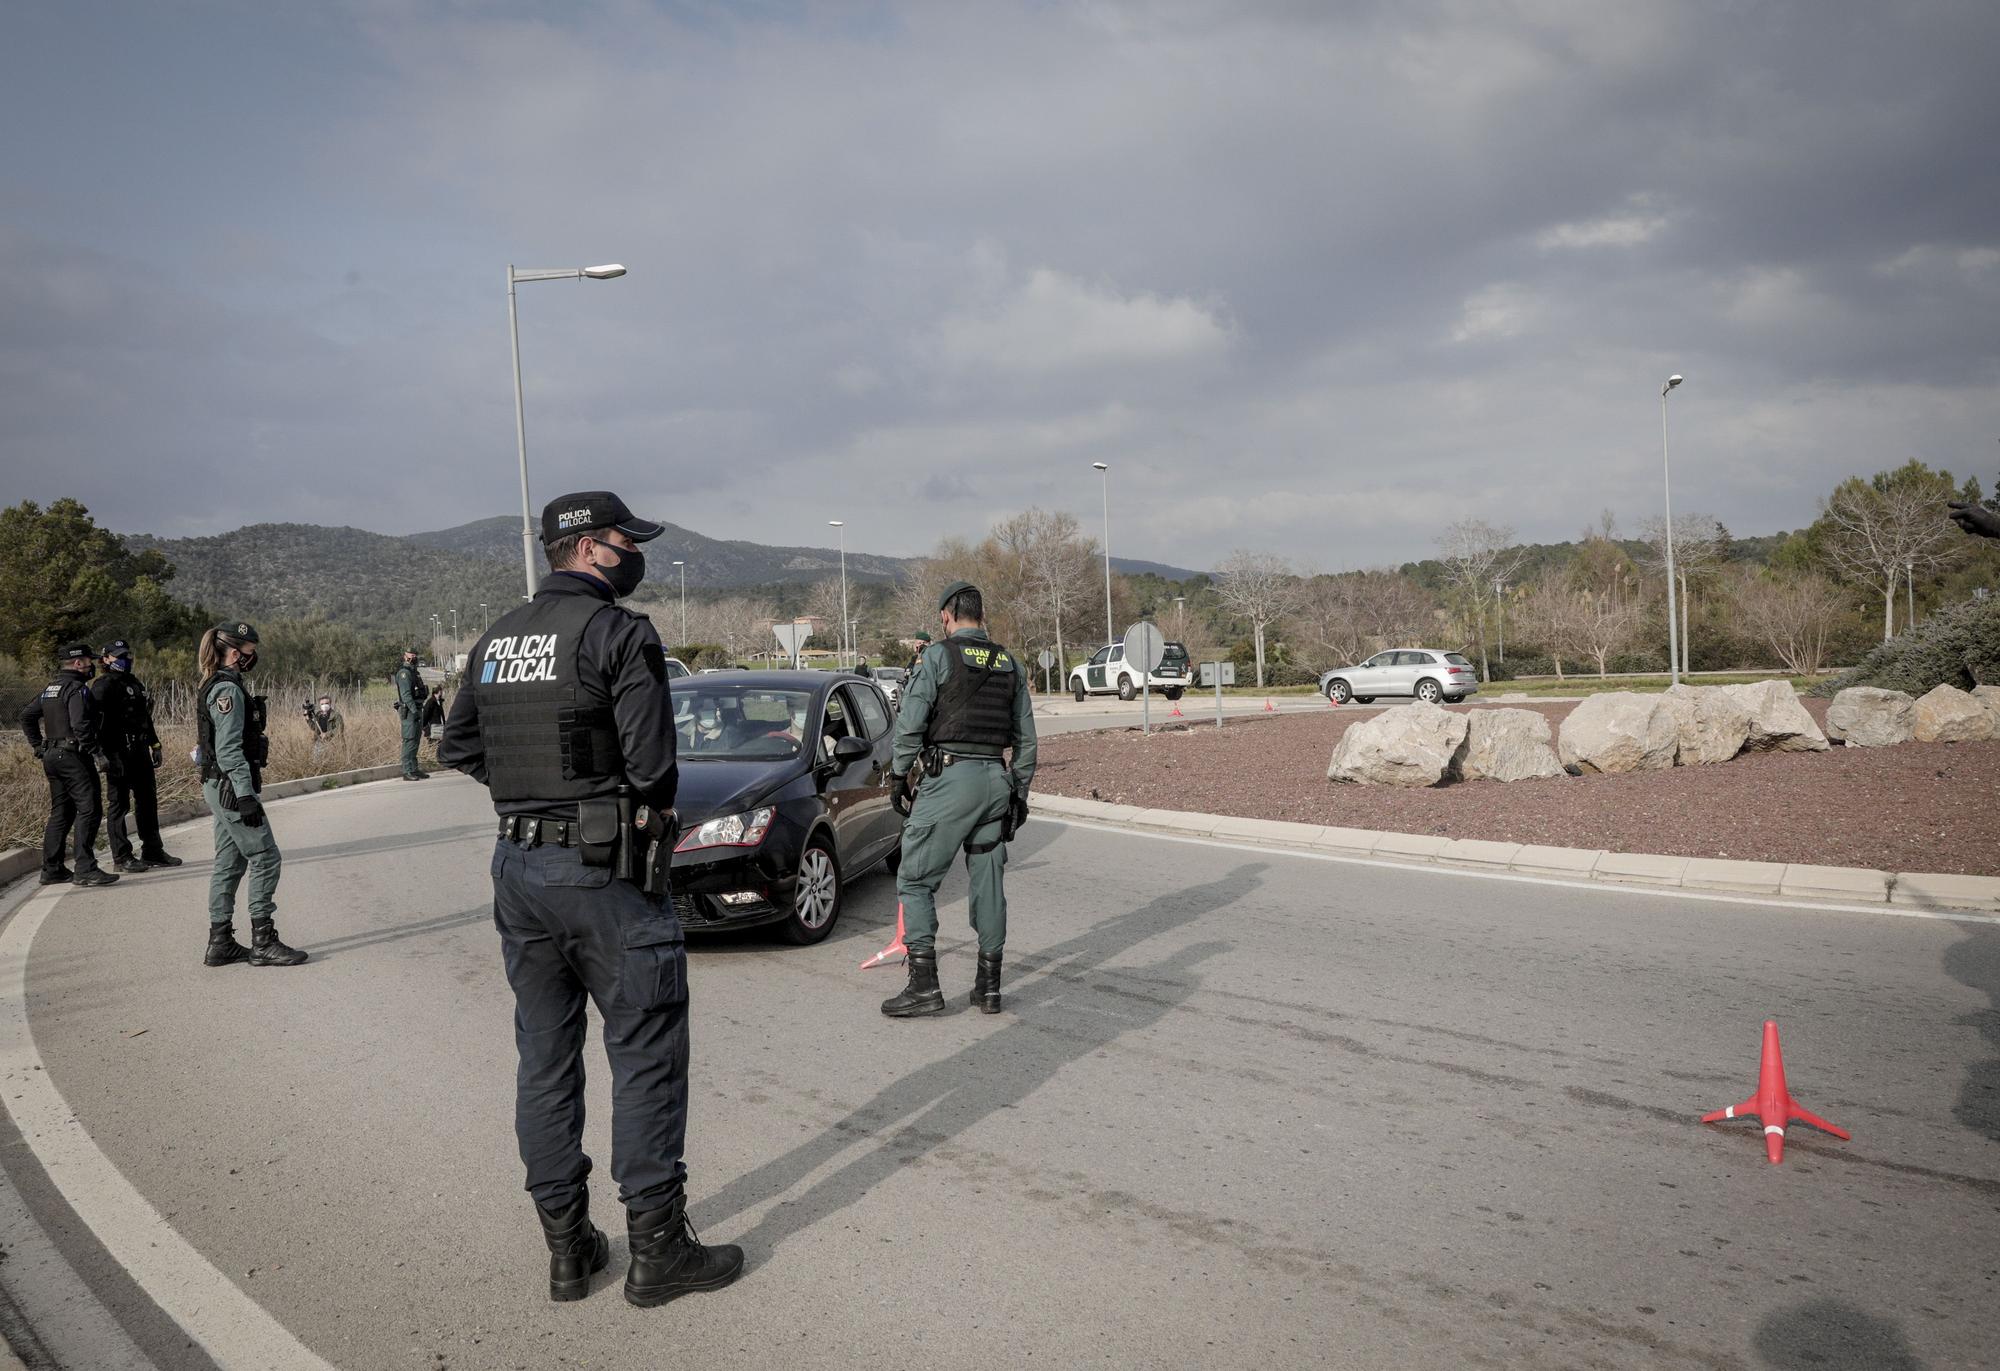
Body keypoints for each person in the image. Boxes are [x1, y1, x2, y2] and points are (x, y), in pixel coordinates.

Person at [439, 490, 742, 1308]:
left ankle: (568, 1251)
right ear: (588, 548)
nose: (632, 553)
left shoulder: (498, 638)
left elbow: (456, 744)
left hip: (519, 871)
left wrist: (529, 797)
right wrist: (598, 803)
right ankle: (656, 1249)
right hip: (603, 873)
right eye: (624, 540)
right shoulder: (619, 632)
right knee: (644, 1050)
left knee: (544, 1056)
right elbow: (653, 768)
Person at [880, 581, 1038, 1018]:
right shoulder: (1010, 663)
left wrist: (898, 777)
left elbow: (910, 725)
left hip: (951, 781)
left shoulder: (937, 656)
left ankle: (925, 986)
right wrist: (1019, 794)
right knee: (988, 884)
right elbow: (1026, 740)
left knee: (914, 880)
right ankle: (988, 989)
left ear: (947, 617)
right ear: (981, 616)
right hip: (995, 783)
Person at [195, 622, 307, 968]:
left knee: (229, 862)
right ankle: (263, 941)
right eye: (249, 651)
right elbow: (229, 750)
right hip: (231, 788)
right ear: (234, 652)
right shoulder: (226, 690)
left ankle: (220, 942)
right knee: (265, 857)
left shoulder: (222, 684)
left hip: (219, 785)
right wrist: (245, 795)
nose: (252, 657)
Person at [19, 643, 118, 888]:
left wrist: (39, 746)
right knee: (90, 809)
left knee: (61, 812)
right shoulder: (76, 689)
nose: (92, 666)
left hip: (53, 757)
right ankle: (85, 868)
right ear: (77, 663)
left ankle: (52, 869)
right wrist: (97, 753)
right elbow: (80, 724)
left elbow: (26, 716)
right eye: (88, 661)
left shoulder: (50, 689)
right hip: (74, 756)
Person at [91, 639, 180, 874]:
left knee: (147, 802)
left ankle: (152, 850)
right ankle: (121, 856)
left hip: (140, 752)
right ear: (106, 659)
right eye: (119, 656)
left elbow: (145, 719)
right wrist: (103, 754)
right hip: (117, 755)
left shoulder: (134, 683)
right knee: (118, 806)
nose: (125, 659)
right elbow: (95, 725)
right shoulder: (102, 686)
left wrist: (155, 744)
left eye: (127, 655)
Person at [394, 648, 431, 780]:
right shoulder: (404, 673)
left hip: (417, 709)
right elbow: (406, 695)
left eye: (415, 654)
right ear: (405, 656)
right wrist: (414, 711)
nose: (413, 656)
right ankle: (407, 771)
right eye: (411, 654)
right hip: (409, 711)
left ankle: (414, 769)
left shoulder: (414, 672)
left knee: (415, 741)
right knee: (409, 741)